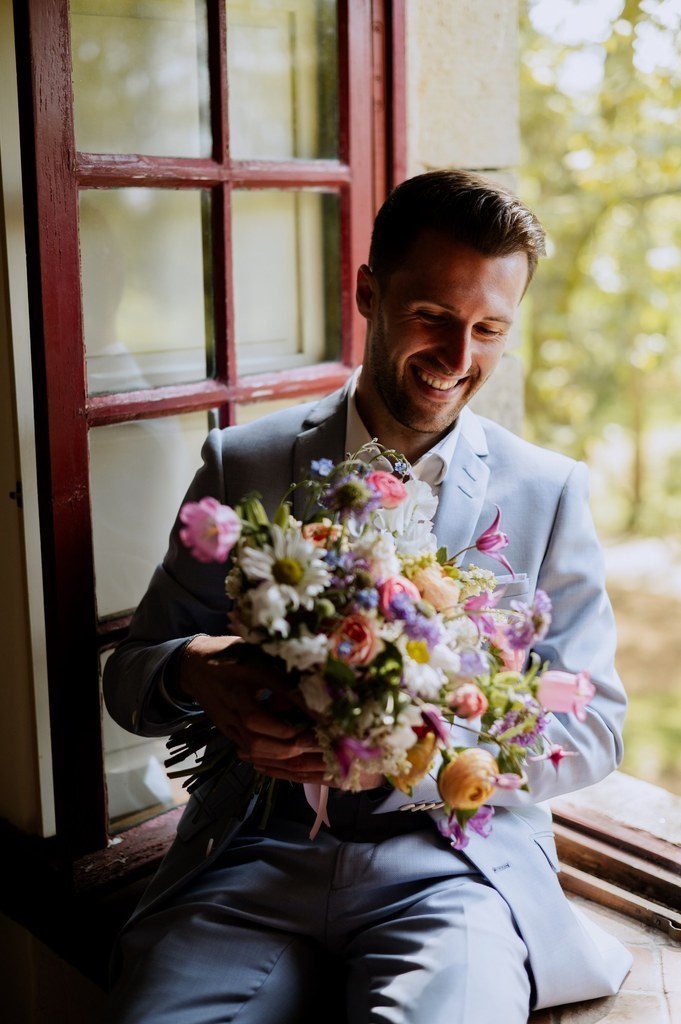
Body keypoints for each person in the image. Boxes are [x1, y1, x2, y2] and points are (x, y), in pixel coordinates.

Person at [102, 169, 632, 1024]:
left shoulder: (547, 491)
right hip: (248, 860)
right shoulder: (243, 465)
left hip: (454, 874)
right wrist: (197, 667)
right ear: (367, 292)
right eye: (432, 317)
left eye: (489, 330)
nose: (459, 361)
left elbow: (595, 725)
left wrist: (420, 756)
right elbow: (129, 680)